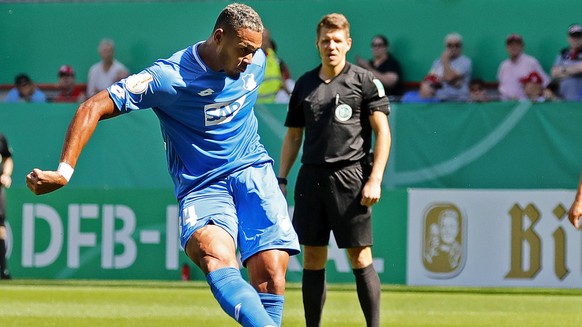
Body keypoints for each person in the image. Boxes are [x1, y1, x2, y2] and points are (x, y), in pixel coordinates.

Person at [26, 3, 299, 327]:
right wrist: (64, 171)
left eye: (255, 51)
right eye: (243, 50)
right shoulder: (169, 77)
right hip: (203, 185)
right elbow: (93, 106)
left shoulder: (256, 64)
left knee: (270, 276)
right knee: (214, 256)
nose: (250, 60)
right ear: (218, 37)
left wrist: (253, 55)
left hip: (253, 171)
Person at [278, 13, 390, 327]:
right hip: (311, 178)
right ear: (317, 43)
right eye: (326, 40)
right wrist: (282, 178)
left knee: (360, 257)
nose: (331, 46)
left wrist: (375, 179)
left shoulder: (365, 81)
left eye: (337, 40)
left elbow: (383, 132)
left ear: (348, 43)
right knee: (312, 259)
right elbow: (293, 136)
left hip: (351, 178)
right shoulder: (304, 84)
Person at [497, 34, 550, 101]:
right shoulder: (503, 66)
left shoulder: (531, 62)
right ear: (506, 48)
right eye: (511, 45)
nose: (513, 47)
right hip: (506, 104)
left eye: (517, 45)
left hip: (525, 105)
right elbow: (501, 85)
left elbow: (545, 82)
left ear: (522, 47)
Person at [355, 34, 404, 99]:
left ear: (386, 47)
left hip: (389, 100)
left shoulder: (392, 63)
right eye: (374, 45)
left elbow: (390, 82)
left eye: (380, 45)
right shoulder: (369, 63)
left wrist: (368, 68)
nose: (376, 48)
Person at [428, 33, 472, 101]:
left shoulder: (466, 61)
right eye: (450, 45)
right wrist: (453, 81)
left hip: (459, 99)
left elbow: (449, 77)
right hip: (439, 99)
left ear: (461, 47)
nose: (453, 48)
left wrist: (445, 60)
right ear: (445, 46)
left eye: (457, 45)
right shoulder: (437, 62)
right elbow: (431, 80)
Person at [551, 24, 582, 101]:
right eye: (573, 36)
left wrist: (562, 70)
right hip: (564, 98)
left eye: (578, 36)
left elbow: (580, 68)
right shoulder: (563, 53)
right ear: (568, 38)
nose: (575, 39)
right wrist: (574, 70)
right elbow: (554, 73)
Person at [256, 28, 286, 104]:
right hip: (256, 105)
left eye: (267, 39)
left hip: (273, 102)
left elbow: (279, 78)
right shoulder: (250, 59)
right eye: (262, 39)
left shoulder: (272, 55)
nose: (265, 42)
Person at [0, 133, 13, 280]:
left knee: (1, 230)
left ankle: (3, 270)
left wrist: (6, 174)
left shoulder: (1, 138)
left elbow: (7, 158)